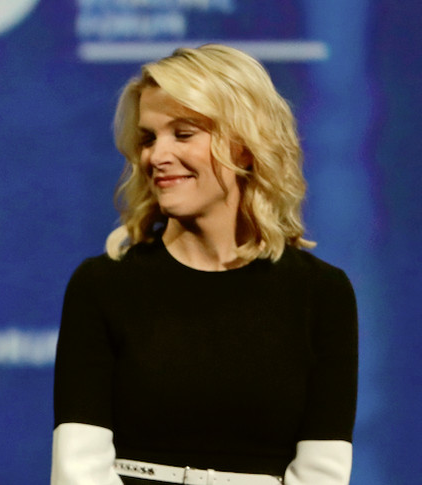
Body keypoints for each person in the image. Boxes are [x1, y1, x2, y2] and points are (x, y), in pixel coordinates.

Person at [51, 44, 358, 485]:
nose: (156, 157)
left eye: (183, 134)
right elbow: (78, 469)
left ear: (246, 147)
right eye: (148, 138)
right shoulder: (102, 285)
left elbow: (322, 472)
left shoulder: (322, 294)